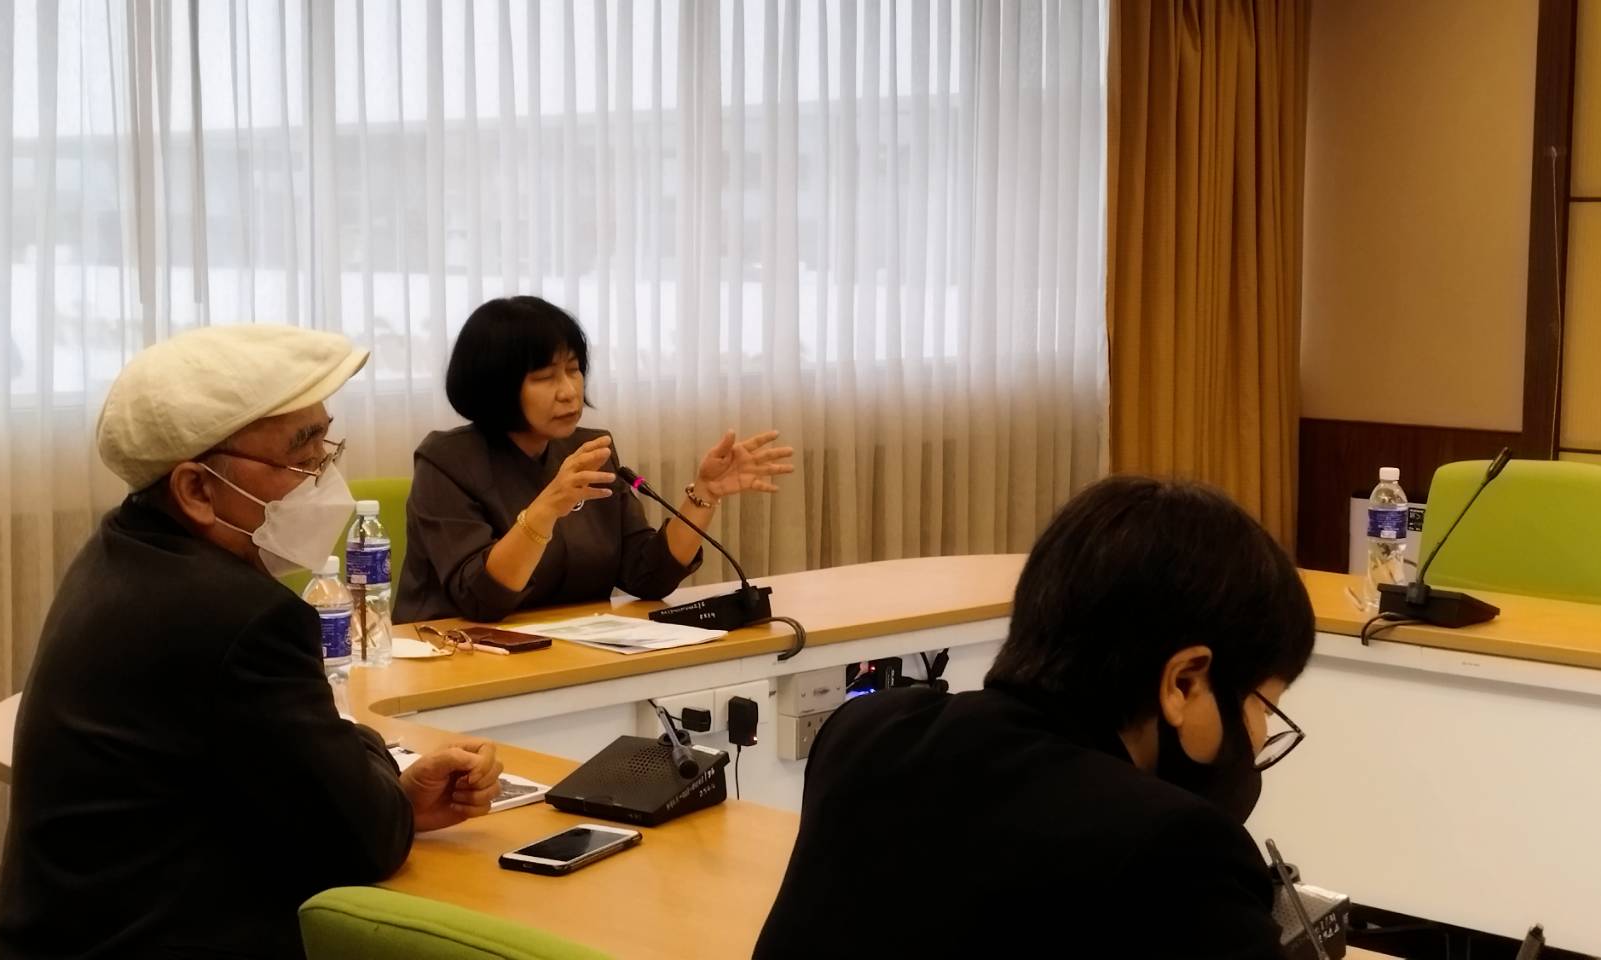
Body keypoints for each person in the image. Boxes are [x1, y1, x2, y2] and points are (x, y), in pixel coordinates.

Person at [0, 325, 505, 960]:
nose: (324, 475)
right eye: (301, 454)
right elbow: (361, 839)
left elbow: (308, 784)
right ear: (197, 490)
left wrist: (380, 790)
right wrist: (376, 779)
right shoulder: (240, 617)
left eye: (325, 441)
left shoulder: (123, 549)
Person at [754, 476, 1317, 959]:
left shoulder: (864, 732)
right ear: (1184, 681)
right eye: (1262, 703)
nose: (1261, 735)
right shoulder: (1179, 850)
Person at [394, 296, 795, 623]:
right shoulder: (446, 461)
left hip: (571, 653)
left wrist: (703, 493)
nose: (569, 391)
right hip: (456, 659)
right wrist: (546, 509)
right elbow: (482, 598)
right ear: (496, 385)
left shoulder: (590, 450)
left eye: (573, 370)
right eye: (545, 377)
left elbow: (648, 576)